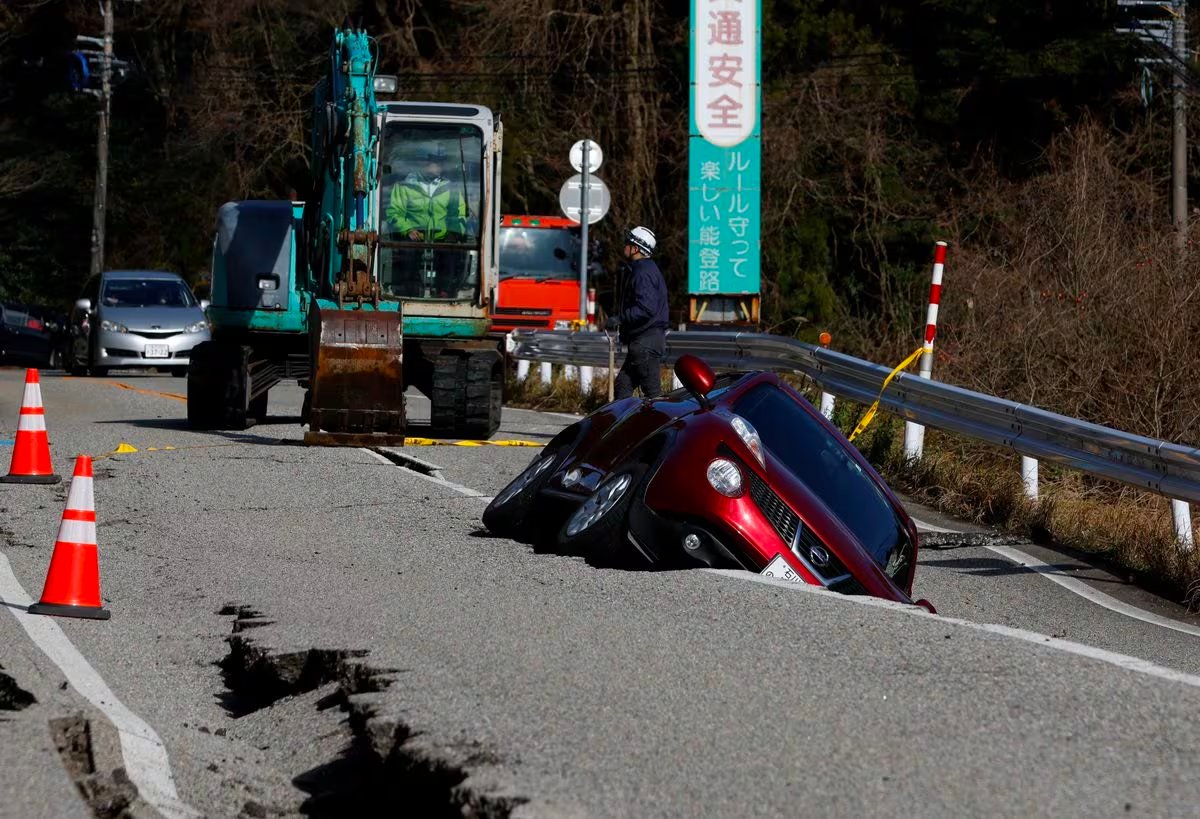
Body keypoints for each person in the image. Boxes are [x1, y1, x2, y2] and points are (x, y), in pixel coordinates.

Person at [385, 146, 470, 296]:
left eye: (441, 162)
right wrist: (408, 230)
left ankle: (444, 291)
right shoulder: (404, 186)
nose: (440, 166)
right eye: (436, 162)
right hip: (414, 237)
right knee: (407, 255)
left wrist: (454, 232)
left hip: (442, 237)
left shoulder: (451, 188)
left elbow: (460, 213)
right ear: (423, 163)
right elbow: (394, 212)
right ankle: (410, 291)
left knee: (451, 254)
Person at [604, 225, 669, 399]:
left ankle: (662, 424)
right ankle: (623, 424)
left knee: (653, 395)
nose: (624, 245)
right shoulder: (644, 269)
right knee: (623, 387)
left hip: (646, 343)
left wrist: (619, 319)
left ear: (635, 248)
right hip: (642, 343)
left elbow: (645, 309)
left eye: (628, 242)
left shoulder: (643, 273)